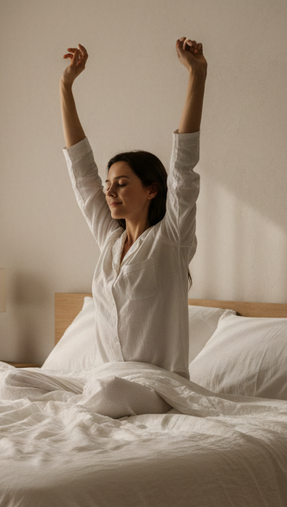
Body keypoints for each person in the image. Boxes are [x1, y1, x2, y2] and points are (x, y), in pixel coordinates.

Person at [60, 38, 207, 379]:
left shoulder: (171, 240)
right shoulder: (110, 242)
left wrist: (196, 74)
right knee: (14, 379)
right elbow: (83, 176)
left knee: (108, 390)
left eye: (122, 183)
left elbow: (184, 169)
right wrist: (65, 86)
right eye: (108, 184)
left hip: (157, 386)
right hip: (105, 380)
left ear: (152, 190)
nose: (110, 191)